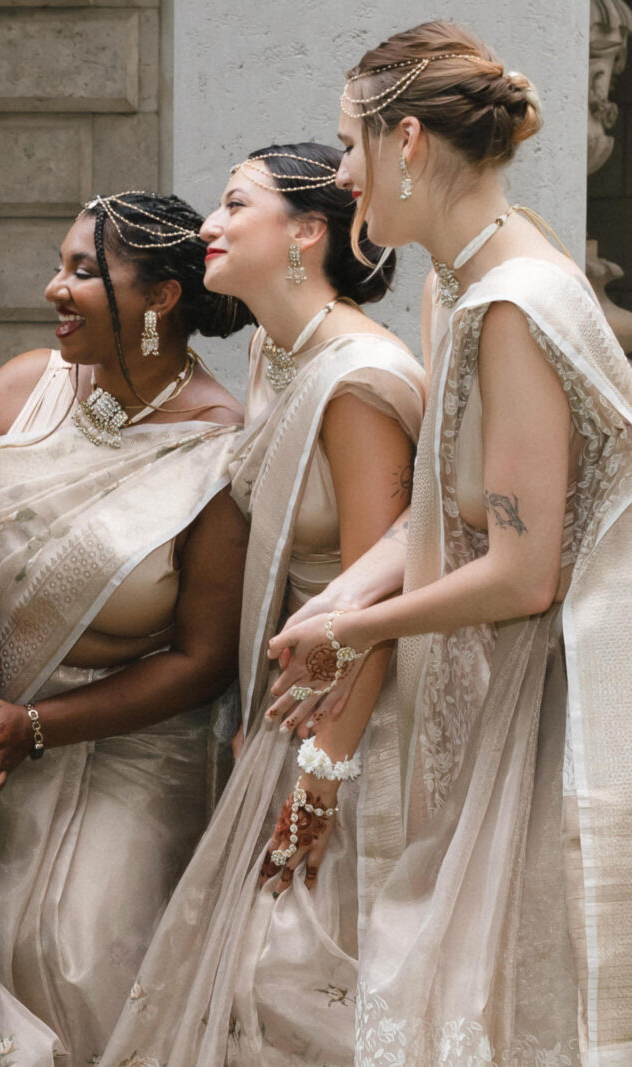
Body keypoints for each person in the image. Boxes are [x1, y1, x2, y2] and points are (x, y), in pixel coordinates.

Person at [265, 23, 632, 1062]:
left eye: (347, 144)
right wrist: (341, 597)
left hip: (559, 702)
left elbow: (522, 573)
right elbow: (446, 506)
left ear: (405, 141)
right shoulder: (458, 279)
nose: (340, 176)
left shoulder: (513, 304)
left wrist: (356, 630)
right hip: (500, 683)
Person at [106, 144, 423, 1065]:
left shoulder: (358, 379)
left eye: (235, 204)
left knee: (299, 978)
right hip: (284, 702)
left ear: (306, 231)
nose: (209, 224)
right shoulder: (272, 351)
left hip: (362, 716)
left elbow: (382, 593)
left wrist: (324, 776)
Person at [0, 190, 249, 1067]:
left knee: (84, 953)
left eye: (82, 271)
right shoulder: (21, 386)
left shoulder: (218, 449)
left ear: (161, 298)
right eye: (59, 265)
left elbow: (204, 659)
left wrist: (34, 728)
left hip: (127, 748)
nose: (53, 288)